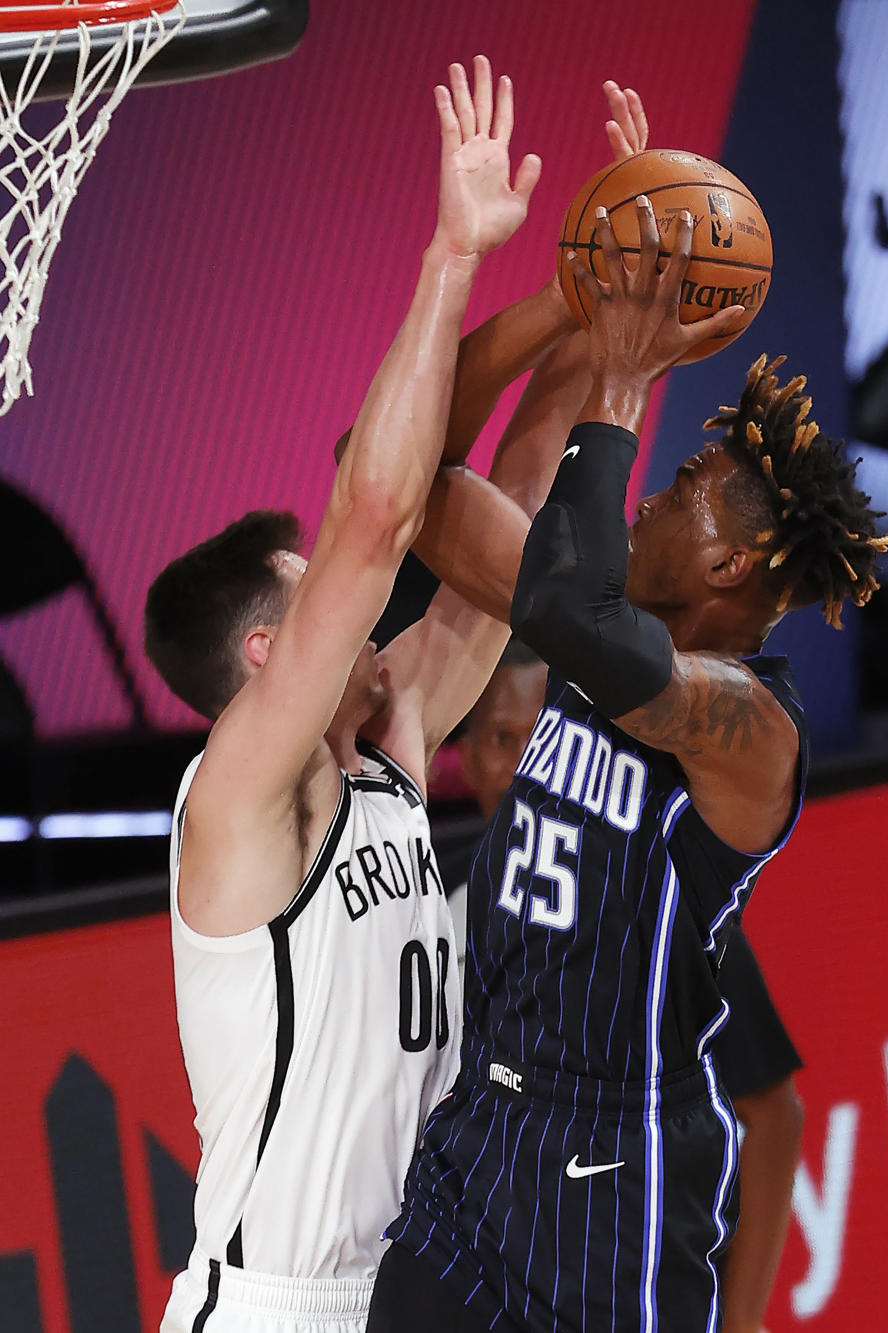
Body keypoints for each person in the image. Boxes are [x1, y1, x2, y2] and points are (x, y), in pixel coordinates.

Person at [367, 205, 888, 1331]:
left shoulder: (751, 727)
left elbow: (578, 608)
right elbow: (395, 473)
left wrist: (621, 381)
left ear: (727, 560)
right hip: (474, 1139)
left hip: (609, 1186)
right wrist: (567, 304)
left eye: (678, 488)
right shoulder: (584, 616)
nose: (645, 498)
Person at [144, 57, 544, 1333]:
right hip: (271, 1308)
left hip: (410, 1297)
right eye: (310, 587)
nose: (349, 591)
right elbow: (377, 514)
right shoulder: (242, 791)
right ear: (270, 651)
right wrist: (453, 253)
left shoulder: (394, 740)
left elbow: (514, 548)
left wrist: (608, 332)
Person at [453, 640, 803, 1333]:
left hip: (646, 1283)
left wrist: (740, 1321)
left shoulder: (656, 889)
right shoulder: (447, 898)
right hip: (505, 1282)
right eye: (500, 738)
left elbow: (772, 1112)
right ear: (463, 758)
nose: (524, 764)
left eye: (538, 738)